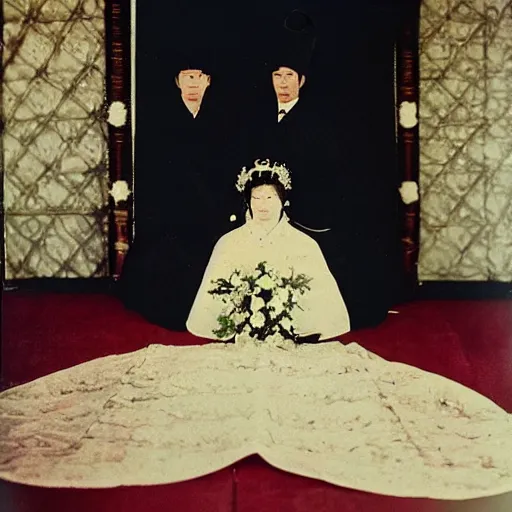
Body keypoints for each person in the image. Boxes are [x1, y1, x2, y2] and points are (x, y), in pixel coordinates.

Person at [186, 159, 351, 341]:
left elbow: (318, 297)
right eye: (256, 198)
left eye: (270, 197)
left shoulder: (305, 244)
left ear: (283, 201)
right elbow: (215, 296)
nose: (262, 204)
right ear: (248, 201)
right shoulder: (228, 242)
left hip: (291, 328)